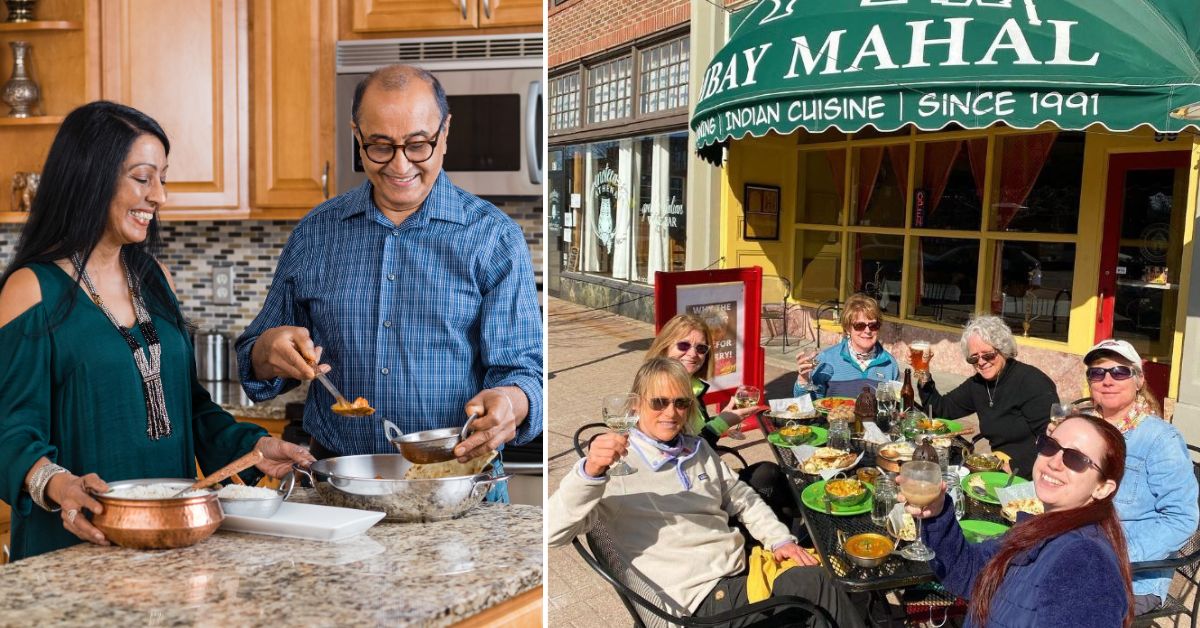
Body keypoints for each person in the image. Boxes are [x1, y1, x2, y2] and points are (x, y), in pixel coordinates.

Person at [0, 101, 314, 561]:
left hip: (169, 542)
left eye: (162, 179)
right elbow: (10, 429)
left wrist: (252, 448)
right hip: (75, 549)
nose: (160, 197)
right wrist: (59, 485)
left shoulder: (154, 279)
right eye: (143, 178)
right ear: (91, 176)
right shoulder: (31, 289)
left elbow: (191, 410)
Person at [235, 65, 542, 500]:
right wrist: (268, 350)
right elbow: (255, 361)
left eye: (418, 144)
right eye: (379, 146)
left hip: (460, 490)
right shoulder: (315, 233)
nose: (400, 165)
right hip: (340, 488)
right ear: (357, 136)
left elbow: (526, 372)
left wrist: (512, 401)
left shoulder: (494, 239)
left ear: (445, 131)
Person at [548, 358, 865, 627]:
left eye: (681, 402)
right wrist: (589, 472)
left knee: (833, 563)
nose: (671, 413)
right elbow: (551, 533)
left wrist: (778, 538)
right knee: (818, 585)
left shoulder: (695, 449)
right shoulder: (615, 469)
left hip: (738, 568)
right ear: (635, 405)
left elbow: (741, 496)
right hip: (698, 602)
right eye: (658, 402)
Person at [903, 414, 1133, 627]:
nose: (1054, 462)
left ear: (1103, 489)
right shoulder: (1041, 526)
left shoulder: (1086, 563)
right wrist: (938, 512)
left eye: (1075, 459)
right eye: (1050, 446)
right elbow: (971, 574)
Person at [1079, 339, 1198, 615]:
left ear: (1139, 379)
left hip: (1131, 576)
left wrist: (1117, 553)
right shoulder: (1084, 427)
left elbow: (1182, 519)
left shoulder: (1160, 439)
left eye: (1119, 371)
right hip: (1075, 548)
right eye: (1097, 372)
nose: (1107, 380)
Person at [645, 313, 791, 523]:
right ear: (665, 346)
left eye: (701, 348)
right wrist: (723, 422)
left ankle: (784, 536)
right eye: (683, 345)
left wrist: (723, 420)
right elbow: (684, 452)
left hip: (703, 474)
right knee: (770, 478)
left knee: (775, 482)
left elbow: (694, 436)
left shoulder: (691, 386)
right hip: (682, 494)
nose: (693, 354)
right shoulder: (659, 392)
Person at [917, 314, 1057, 476]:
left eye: (988, 355)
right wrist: (923, 373)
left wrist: (1013, 466)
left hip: (1030, 474)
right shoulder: (978, 384)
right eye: (974, 358)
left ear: (1003, 349)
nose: (981, 362)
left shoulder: (1032, 382)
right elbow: (941, 410)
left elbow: (1053, 441)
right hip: (996, 467)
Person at [793, 293, 899, 399]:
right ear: (848, 328)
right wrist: (803, 380)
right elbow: (808, 404)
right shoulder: (827, 359)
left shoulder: (890, 364)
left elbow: (896, 406)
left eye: (873, 325)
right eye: (859, 326)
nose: (867, 331)